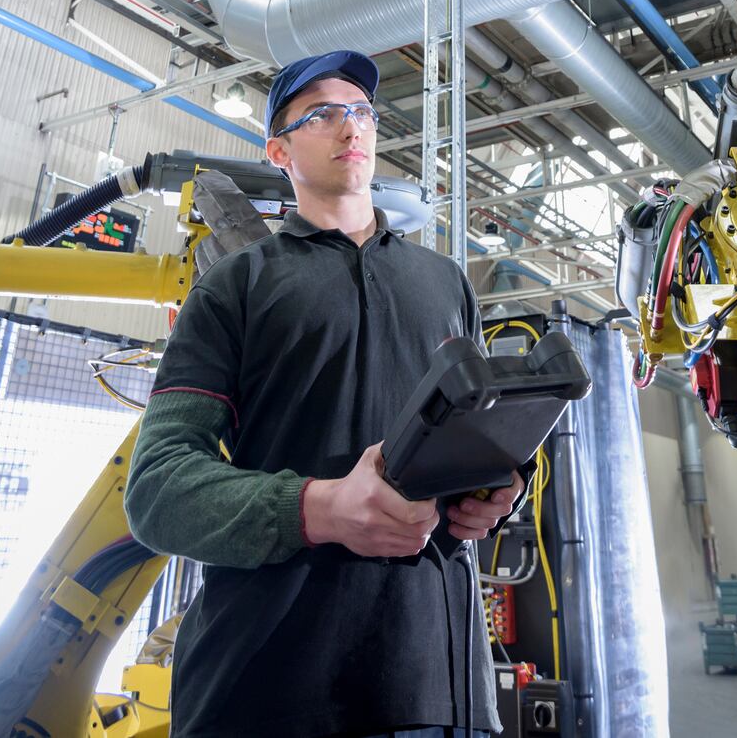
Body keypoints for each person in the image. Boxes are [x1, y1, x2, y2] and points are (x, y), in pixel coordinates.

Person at [125, 49, 524, 738]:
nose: (353, 127)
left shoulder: (445, 282)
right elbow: (157, 490)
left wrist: (492, 489)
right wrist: (319, 509)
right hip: (268, 687)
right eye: (323, 115)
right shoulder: (236, 285)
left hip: (438, 685)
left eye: (363, 112)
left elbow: (471, 434)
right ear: (278, 150)